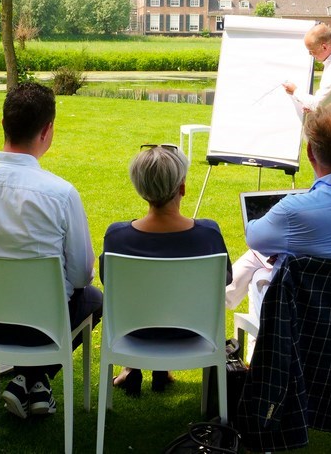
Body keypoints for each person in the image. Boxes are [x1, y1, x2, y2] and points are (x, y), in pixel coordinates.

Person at [0, 82, 103, 419]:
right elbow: (80, 275)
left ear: (3, 124)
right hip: (40, 326)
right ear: (48, 131)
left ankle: (27, 380)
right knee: (94, 299)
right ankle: (36, 379)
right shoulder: (60, 194)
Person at [225, 104, 331, 325]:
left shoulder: (292, 210)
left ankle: (219, 303)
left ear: (309, 152)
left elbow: (253, 237)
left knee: (259, 270)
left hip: (302, 331)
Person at [100, 144, 233, 396]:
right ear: (182, 187)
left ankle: (132, 368)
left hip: (136, 334)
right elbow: (224, 279)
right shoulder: (208, 234)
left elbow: (110, 281)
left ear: (140, 188)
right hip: (192, 333)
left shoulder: (117, 237)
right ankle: (157, 372)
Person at [283, 23, 331, 111]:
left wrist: (295, 91)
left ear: (324, 47)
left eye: (312, 51)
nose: (311, 55)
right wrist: (310, 106)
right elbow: (325, 102)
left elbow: (318, 105)